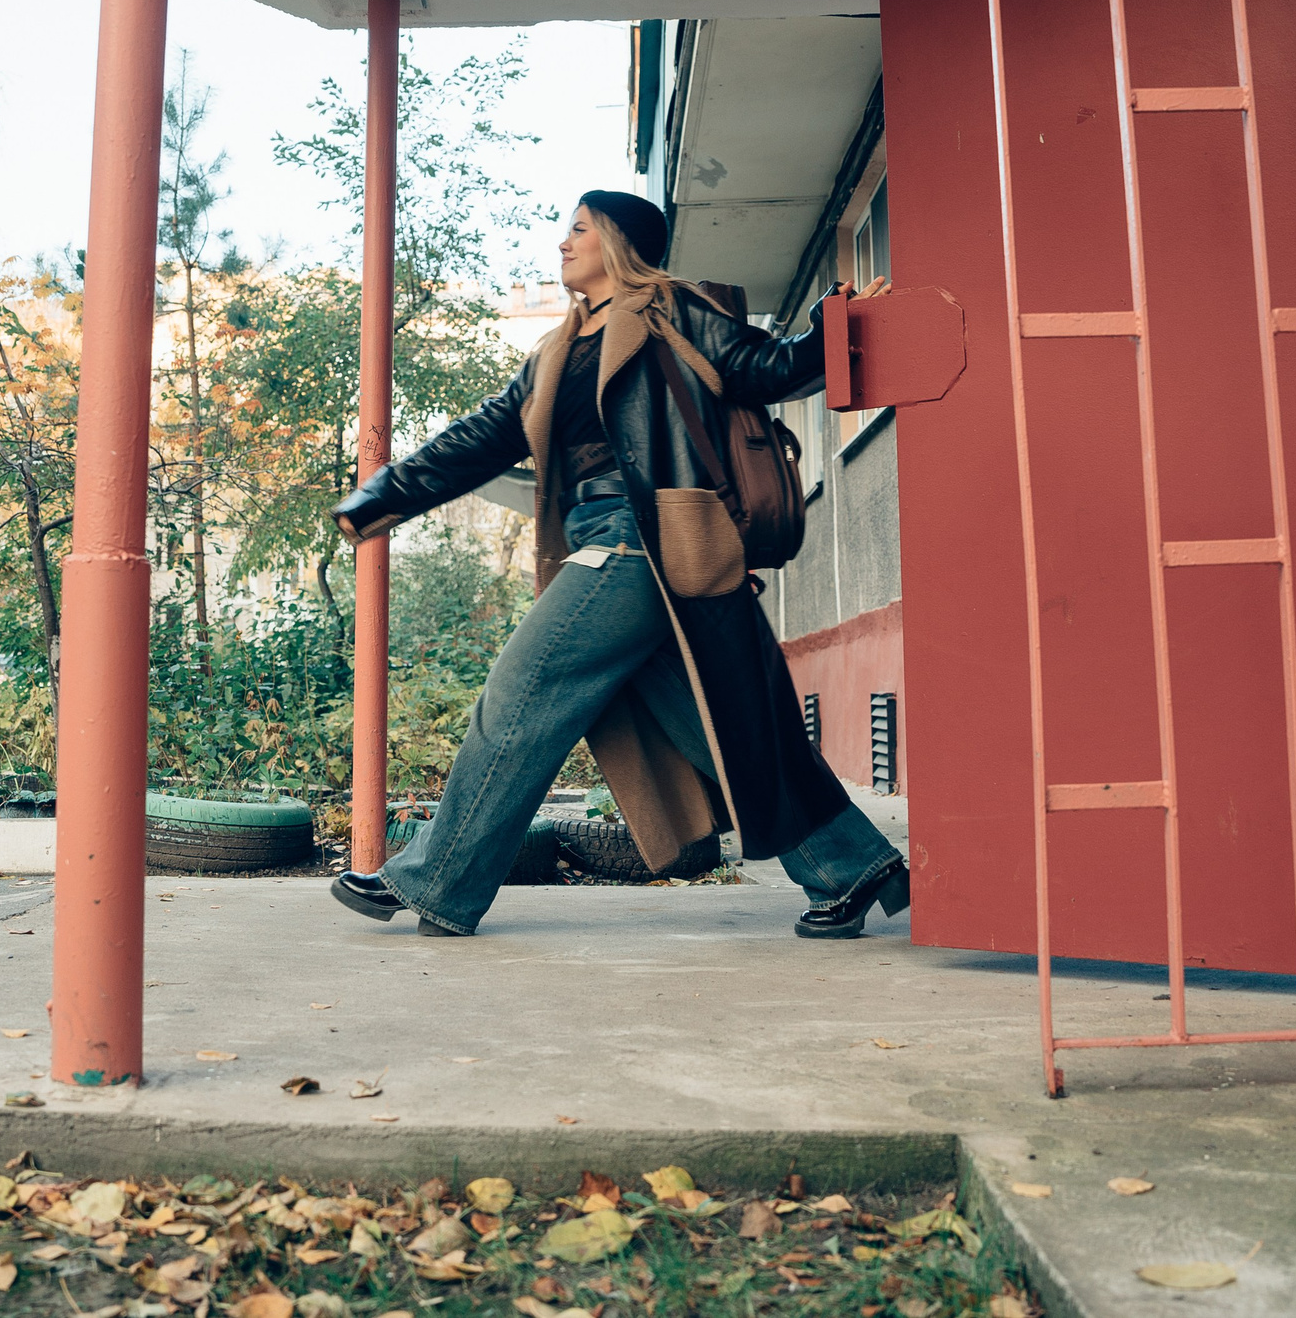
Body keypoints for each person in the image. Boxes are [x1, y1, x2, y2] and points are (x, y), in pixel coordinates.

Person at [328, 189, 906, 939]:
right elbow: (475, 441)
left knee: (519, 693)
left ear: (620, 242)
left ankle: (439, 879)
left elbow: (766, 368)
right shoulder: (554, 353)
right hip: (605, 546)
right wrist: (381, 497)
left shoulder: (673, 312)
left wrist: (836, 321)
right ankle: (850, 864)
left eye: (579, 228)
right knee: (725, 729)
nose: (563, 242)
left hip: (645, 541)